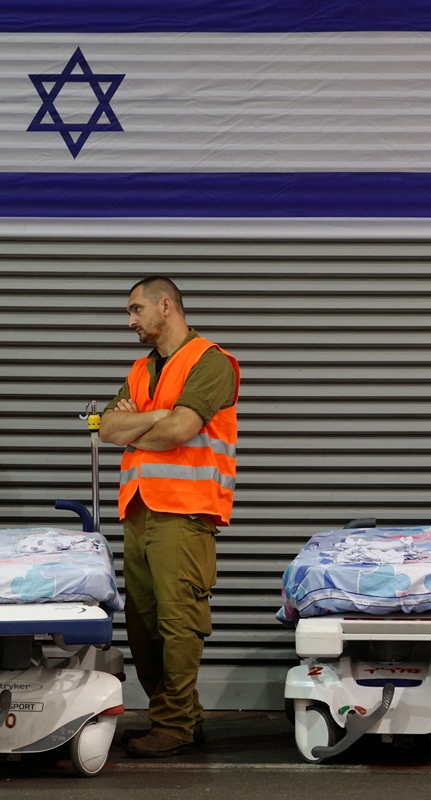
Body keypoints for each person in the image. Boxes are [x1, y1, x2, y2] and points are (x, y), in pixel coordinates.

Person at [99, 276, 240, 758]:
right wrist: (154, 420)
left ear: (166, 307)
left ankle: (174, 724)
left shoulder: (211, 362)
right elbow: (106, 428)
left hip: (185, 511)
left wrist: (143, 422)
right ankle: (182, 716)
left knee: (179, 622)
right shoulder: (141, 369)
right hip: (138, 510)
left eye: (136, 310)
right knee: (143, 625)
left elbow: (181, 428)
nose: (130, 321)